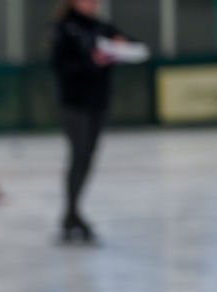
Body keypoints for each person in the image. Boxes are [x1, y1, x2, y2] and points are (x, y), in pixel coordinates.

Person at [52, 0, 147, 244]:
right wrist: (92, 61)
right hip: (74, 104)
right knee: (79, 155)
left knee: (87, 158)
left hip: (98, 103)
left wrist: (121, 46)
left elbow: (139, 47)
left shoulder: (102, 27)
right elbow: (60, 65)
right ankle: (71, 214)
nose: (92, 3)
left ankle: (72, 214)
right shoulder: (64, 28)